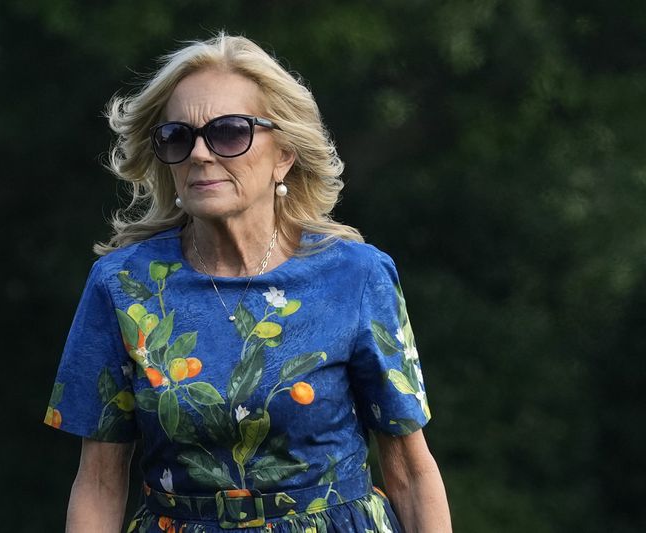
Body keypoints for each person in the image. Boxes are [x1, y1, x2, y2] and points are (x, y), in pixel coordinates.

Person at [44, 33, 451, 533]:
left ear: (283, 154)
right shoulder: (124, 286)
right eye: (177, 136)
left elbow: (409, 470)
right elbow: (100, 482)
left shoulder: (356, 275)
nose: (199, 154)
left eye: (229, 132)